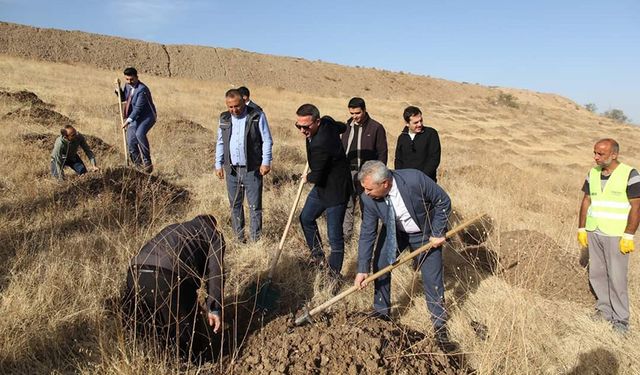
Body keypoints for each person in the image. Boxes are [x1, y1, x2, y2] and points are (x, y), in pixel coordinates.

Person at [353, 160, 454, 350]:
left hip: (425, 233)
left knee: (432, 278)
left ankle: (440, 327)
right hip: (395, 232)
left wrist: (438, 232)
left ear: (385, 183)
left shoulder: (414, 179)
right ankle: (381, 311)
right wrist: (362, 269)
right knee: (381, 264)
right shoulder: (368, 198)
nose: (365, 193)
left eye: (369, 189)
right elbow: (367, 232)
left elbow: (443, 201)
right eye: (364, 189)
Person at [122, 214, 225, 362]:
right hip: (169, 276)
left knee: (149, 334)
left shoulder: (174, 228)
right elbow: (216, 272)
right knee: (188, 338)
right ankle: (196, 365)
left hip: (135, 273)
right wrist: (214, 308)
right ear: (213, 225)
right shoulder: (214, 235)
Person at [578, 138, 640, 334]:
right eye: (595, 153)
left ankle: (621, 320)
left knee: (617, 277)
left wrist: (629, 234)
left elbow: (636, 206)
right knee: (596, 273)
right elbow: (586, 200)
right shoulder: (593, 173)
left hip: (616, 234)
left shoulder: (630, 174)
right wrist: (582, 229)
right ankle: (604, 311)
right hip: (594, 230)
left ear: (614, 154)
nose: (596, 157)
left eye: (600, 154)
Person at [296, 103, 352, 278]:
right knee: (306, 218)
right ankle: (318, 257)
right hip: (322, 188)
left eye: (306, 126)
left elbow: (318, 175)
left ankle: (333, 276)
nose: (302, 130)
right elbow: (342, 126)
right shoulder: (328, 122)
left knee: (334, 237)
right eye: (299, 125)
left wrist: (307, 178)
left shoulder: (321, 144)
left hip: (336, 190)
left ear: (317, 121)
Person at [215, 89, 273, 242]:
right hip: (232, 170)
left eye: (237, 106)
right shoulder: (224, 118)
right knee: (235, 205)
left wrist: (265, 162)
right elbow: (220, 142)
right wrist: (218, 164)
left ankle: (255, 240)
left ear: (243, 101)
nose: (234, 110)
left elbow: (267, 140)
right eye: (230, 107)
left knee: (255, 207)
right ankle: (239, 239)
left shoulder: (256, 115)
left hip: (252, 169)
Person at [341, 97, 388, 241]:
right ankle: (346, 238)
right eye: (352, 113)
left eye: (357, 113)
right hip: (347, 172)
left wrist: (378, 175)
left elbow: (382, 153)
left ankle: (367, 239)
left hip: (367, 175)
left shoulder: (376, 127)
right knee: (347, 205)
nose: (355, 116)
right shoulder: (346, 127)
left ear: (364, 110)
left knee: (367, 208)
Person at [116, 67, 157, 173]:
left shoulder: (142, 89)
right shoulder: (127, 86)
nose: (129, 82)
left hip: (147, 116)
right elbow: (124, 98)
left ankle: (147, 162)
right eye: (127, 79)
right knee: (131, 141)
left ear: (137, 77)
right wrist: (118, 90)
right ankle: (138, 167)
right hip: (134, 118)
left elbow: (138, 108)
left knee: (139, 134)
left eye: (131, 79)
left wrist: (128, 120)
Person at [394, 106, 441, 183]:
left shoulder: (431, 134)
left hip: (426, 182)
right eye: (416, 122)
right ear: (407, 123)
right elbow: (398, 160)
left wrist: (421, 178)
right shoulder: (402, 138)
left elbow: (434, 159)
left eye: (421, 121)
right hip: (406, 182)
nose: (419, 124)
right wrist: (400, 178)